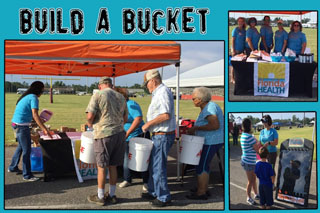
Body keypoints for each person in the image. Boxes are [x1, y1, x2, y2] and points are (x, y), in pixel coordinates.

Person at [86, 77, 128, 206]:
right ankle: (112, 194)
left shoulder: (98, 95)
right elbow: (125, 118)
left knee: (102, 166)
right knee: (113, 166)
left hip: (104, 133)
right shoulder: (121, 97)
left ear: (100, 86)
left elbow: (90, 116)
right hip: (119, 133)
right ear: (111, 85)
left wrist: (90, 124)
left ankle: (100, 196)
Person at [141, 69, 176, 207]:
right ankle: (153, 190)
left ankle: (163, 196)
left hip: (162, 135)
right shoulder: (159, 92)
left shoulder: (162, 92)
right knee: (154, 165)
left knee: (158, 167)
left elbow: (165, 115)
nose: (146, 86)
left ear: (153, 81)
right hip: (159, 135)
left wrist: (148, 124)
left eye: (147, 83)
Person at [8, 81, 52, 181]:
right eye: (43, 89)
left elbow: (27, 114)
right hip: (21, 126)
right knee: (27, 150)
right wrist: (44, 129)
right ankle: (27, 175)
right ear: (39, 89)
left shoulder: (27, 96)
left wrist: (36, 121)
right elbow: (35, 114)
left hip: (16, 124)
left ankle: (12, 167)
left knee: (21, 147)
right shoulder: (33, 98)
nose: (43, 91)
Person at [186, 87, 224, 200]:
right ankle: (203, 188)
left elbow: (215, 125)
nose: (192, 100)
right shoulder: (208, 107)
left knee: (201, 165)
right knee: (204, 165)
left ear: (200, 99)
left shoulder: (210, 108)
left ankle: (201, 192)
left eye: (193, 98)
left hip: (211, 141)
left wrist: (197, 128)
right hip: (210, 140)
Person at [115, 88, 149, 192]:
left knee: (142, 159)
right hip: (127, 137)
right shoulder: (120, 106)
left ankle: (146, 182)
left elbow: (138, 119)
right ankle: (127, 179)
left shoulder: (131, 104)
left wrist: (128, 132)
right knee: (126, 158)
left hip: (138, 136)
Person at [240, 118, 259, 205]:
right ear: (249, 126)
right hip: (249, 162)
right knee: (251, 180)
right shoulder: (249, 137)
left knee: (254, 178)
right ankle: (248, 197)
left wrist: (254, 139)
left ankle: (256, 194)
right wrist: (260, 143)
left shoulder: (244, 135)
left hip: (249, 161)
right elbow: (257, 149)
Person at [231, 17, 246, 84]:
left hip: (241, 50)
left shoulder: (244, 31)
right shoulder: (235, 30)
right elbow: (233, 40)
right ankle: (232, 78)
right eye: (239, 21)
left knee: (239, 65)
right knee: (234, 65)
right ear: (238, 22)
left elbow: (244, 41)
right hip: (236, 50)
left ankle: (238, 77)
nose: (240, 22)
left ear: (243, 22)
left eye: (242, 21)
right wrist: (233, 50)